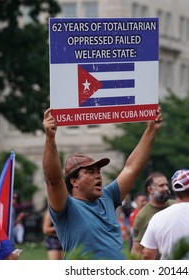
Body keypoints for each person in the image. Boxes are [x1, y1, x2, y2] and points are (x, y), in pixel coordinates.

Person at [42, 108, 163, 260]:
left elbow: (131, 168)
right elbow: (53, 181)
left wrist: (151, 130)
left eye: (98, 171)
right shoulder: (66, 207)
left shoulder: (107, 196)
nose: (98, 176)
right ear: (74, 182)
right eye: (90, 172)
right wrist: (50, 137)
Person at [130, 171, 174, 257]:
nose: (166, 188)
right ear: (150, 190)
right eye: (161, 185)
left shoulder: (176, 205)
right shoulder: (142, 216)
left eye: (166, 185)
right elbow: (136, 250)